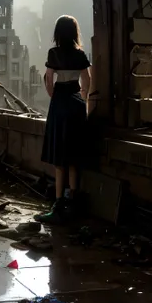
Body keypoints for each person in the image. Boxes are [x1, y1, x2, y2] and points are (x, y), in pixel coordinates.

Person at [35, 15, 91, 224]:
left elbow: (49, 77)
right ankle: (73, 203)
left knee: (60, 159)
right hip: (76, 104)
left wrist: (53, 94)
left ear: (58, 33)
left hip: (60, 102)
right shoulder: (80, 54)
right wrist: (82, 97)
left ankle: (58, 204)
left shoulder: (54, 53)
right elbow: (87, 79)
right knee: (75, 156)